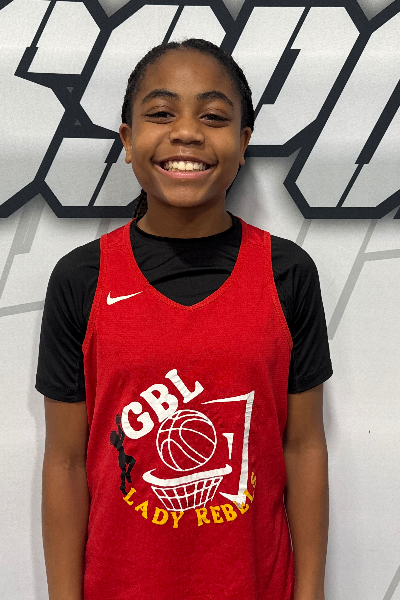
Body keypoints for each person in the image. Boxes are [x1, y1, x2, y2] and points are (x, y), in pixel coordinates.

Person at [37, 38, 332, 600]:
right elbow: (67, 462)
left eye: (214, 117)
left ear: (243, 143)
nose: (188, 133)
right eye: (161, 113)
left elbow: (304, 447)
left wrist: (311, 592)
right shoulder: (81, 279)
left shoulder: (287, 273)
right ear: (128, 140)